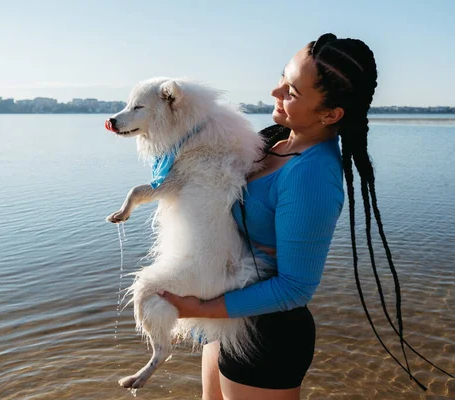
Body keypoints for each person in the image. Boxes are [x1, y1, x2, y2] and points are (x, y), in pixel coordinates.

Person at [158, 33, 452, 399]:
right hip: (227, 320)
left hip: (266, 333)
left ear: (330, 114)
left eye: (291, 92)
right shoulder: (271, 141)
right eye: (283, 78)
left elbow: (296, 287)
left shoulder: (312, 174)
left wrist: (198, 307)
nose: (275, 92)